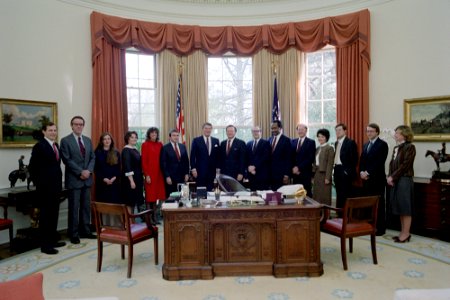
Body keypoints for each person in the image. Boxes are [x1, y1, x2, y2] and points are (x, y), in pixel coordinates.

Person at [29, 122, 65, 255]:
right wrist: (41, 185)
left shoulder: (56, 145)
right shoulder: (40, 146)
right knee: (46, 217)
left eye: (55, 130)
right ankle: (45, 245)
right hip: (45, 189)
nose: (53, 133)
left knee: (54, 215)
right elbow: (32, 168)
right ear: (44, 132)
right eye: (50, 130)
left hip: (56, 187)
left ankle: (53, 240)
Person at [60, 116, 96, 245]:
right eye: (76, 124)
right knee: (74, 208)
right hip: (74, 180)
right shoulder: (65, 141)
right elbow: (67, 160)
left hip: (87, 180)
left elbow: (93, 157)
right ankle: (73, 234)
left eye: (81, 124)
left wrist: (88, 171)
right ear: (71, 126)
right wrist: (81, 172)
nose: (79, 126)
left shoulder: (87, 140)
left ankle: (85, 231)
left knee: (86, 207)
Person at [387, 125, 416, 243]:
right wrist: (390, 176)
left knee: (405, 207)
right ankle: (403, 232)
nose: (395, 135)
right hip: (396, 179)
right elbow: (392, 164)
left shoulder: (410, 147)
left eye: (397, 133)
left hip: (404, 179)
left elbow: (405, 165)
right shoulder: (396, 148)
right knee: (399, 206)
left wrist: (393, 176)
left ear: (404, 134)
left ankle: (406, 233)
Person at [359, 123, 389, 236]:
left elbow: (379, 161)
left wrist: (368, 172)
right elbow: (362, 160)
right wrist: (361, 172)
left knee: (379, 204)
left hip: (377, 180)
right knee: (368, 204)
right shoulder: (366, 144)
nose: (369, 133)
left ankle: (380, 228)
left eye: (371, 131)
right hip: (366, 180)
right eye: (367, 131)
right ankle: (369, 226)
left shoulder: (382, 144)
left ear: (377, 132)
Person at [141, 127, 165, 223]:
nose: (154, 134)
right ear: (149, 134)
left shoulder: (160, 144)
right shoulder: (145, 145)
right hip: (150, 174)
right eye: (152, 133)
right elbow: (144, 161)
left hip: (159, 174)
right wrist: (146, 175)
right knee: (149, 197)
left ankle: (155, 217)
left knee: (155, 197)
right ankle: (148, 218)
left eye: (155, 133)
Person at [333, 123, 358, 209]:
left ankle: (346, 217)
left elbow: (355, 159)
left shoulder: (350, 142)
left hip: (345, 171)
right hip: (337, 170)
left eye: (340, 130)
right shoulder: (336, 143)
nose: (338, 132)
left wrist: (347, 171)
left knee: (346, 195)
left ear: (345, 131)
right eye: (336, 130)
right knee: (339, 194)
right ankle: (339, 215)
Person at [190, 122, 220, 191]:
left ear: (211, 130)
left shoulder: (216, 141)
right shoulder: (196, 140)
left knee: (210, 191)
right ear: (203, 129)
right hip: (199, 171)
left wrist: (218, 170)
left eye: (209, 128)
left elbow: (218, 156)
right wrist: (193, 169)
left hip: (212, 172)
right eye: (206, 128)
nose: (208, 130)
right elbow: (192, 156)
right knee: (201, 192)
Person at [160, 129, 190, 198]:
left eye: (177, 135)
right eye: (174, 135)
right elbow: (163, 164)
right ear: (170, 137)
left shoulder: (182, 146)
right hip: (171, 177)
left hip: (182, 177)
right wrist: (167, 176)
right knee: (171, 197)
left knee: (183, 196)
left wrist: (186, 174)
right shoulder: (165, 148)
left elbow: (186, 161)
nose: (176, 137)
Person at [94, 132, 121, 204]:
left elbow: (118, 168)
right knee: (103, 204)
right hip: (102, 183)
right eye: (104, 139)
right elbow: (96, 168)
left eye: (108, 139)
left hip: (114, 182)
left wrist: (113, 178)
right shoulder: (97, 152)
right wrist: (104, 179)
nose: (107, 141)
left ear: (111, 140)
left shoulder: (116, 152)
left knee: (114, 204)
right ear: (102, 141)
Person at [121, 131, 144, 212]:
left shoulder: (135, 149)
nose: (134, 139)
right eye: (132, 137)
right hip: (130, 180)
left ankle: (133, 222)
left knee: (135, 201)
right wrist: (131, 181)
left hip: (137, 178)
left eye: (135, 137)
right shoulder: (126, 150)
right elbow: (127, 167)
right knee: (130, 202)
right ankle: (129, 223)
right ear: (127, 139)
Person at [291, 123, 316, 197]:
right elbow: (290, 157)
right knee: (296, 195)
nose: (300, 131)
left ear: (306, 131)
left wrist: (298, 168)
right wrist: (293, 168)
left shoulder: (311, 142)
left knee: (306, 195)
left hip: (305, 173)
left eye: (302, 129)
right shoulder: (293, 141)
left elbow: (310, 158)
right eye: (299, 130)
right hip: (295, 174)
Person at [312, 128, 335, 205]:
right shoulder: (318, 148)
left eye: (322, 136)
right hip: (317, 174)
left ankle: (326, 215)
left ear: (326, 137)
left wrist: (328, 178)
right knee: (316, 195)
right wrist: (313, 175)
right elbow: (315, 163)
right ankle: (318, 215)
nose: (320, 138)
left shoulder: (330, 148)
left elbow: (330, 164)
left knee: (324, 196)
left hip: (325, 175)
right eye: (319, 136)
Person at [268, 120, 292, 190]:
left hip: (281, 175)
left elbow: (289, 159)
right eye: (272, 128)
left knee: (280, 196)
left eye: (275, 128)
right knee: (271, 196)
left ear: (280, 128)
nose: (273, 130)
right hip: (270, 175)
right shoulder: (269, 139)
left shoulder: (287, 140)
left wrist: (287, 175)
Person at [246, 126, 271, 191]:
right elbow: (246, 158)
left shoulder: (266, 143)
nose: (255, 133)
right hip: (251, 175)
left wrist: (254, 167)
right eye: (254, 131)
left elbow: (265, 157)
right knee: (253, 195)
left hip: (262, 174)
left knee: (262, 196)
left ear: (260, 132)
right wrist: (249, 167)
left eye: (257, 131)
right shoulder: (248, 144)